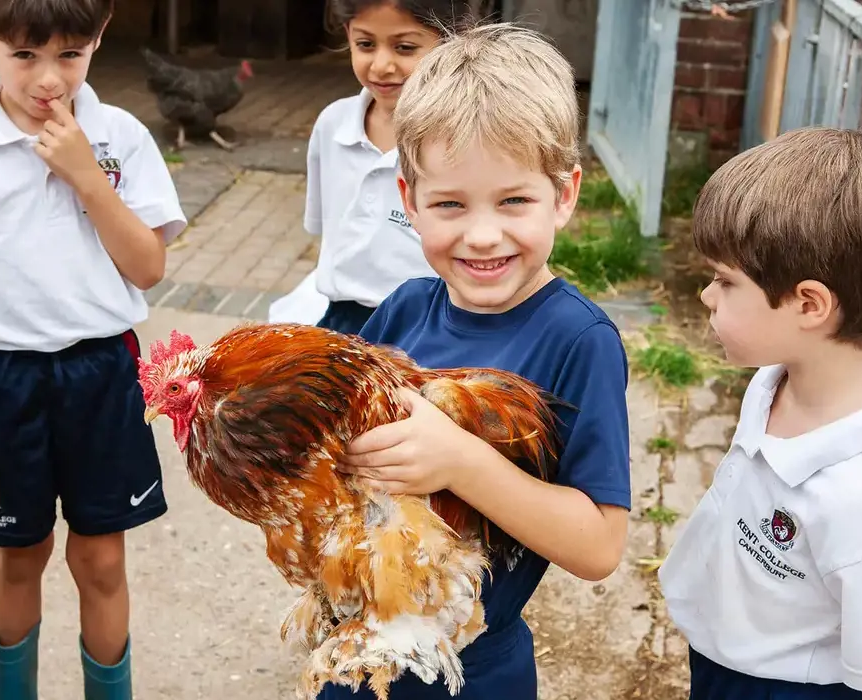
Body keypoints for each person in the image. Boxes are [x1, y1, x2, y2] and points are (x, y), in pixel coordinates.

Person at [0, 1, 187, 698]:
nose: (50, 78)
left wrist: (87, 175)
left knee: (103, 559)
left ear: (100, 37)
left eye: (71, 54)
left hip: (104, 373)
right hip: (3, 380)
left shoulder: (120, 137)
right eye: (25, 55)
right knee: (20, 554)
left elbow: (146, 267)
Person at [335, 22, 632, 699]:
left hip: (474, 670)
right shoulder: (401, 312)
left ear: (564, 195)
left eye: (514, 201)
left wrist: (460, 461)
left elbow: (598, 547)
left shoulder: (578, 340)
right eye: (449, 204)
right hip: (356, 653)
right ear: (408, 203)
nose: (482, 234)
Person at [656, 126, 862, 700]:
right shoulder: (777, 383)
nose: (706, 297)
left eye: (724, 281)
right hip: (730, 655)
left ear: (809, 304)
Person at [270, 0, 463, 334]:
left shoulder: (464, 141)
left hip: (432, 329)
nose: (381, 65)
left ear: (448, 41)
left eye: (405, 47)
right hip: (341, 327)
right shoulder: (333, 124)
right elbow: (329, 238)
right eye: (365, 44)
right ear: (348, 34)